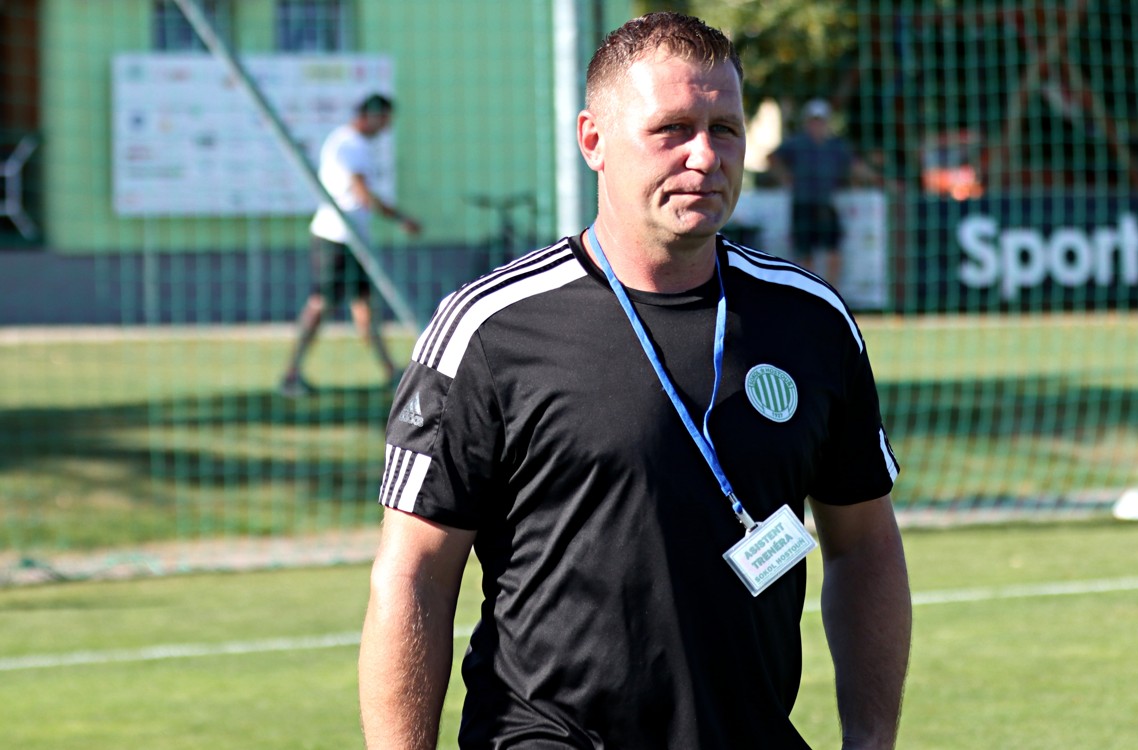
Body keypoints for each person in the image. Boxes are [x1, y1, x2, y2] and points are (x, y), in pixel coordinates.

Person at [360, 12, 910, 749]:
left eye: (725, 129)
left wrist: (870, 741)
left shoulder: (811, 320)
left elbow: (864, 542)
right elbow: (414, 574)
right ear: (594, 140)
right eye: (672, 129)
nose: (704, 156)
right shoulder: (492, 328)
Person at [280, 93, 421, 398]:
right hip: (335, 238)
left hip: (355, 240)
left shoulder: (356, 144)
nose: (386, 127)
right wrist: (401, 218)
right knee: (320, 303)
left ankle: (390, 372)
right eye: (384, 120)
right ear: (370, 116)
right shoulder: (348, 145)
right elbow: (362, 194)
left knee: (364, 304)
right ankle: (291, 375)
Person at [768, 97, 881, 286]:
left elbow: (855, 166)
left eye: (820, 121)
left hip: (825, 203)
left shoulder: (835, 146)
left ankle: (829, 292)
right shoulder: (797, 143)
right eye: (814, 120)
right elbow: (772, 158)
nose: (817, 125)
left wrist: (879, 179)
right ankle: (808, 292)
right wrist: (784, 177)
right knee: (805, 252)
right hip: (803, 203)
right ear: (807, 122)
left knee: (833, 249)